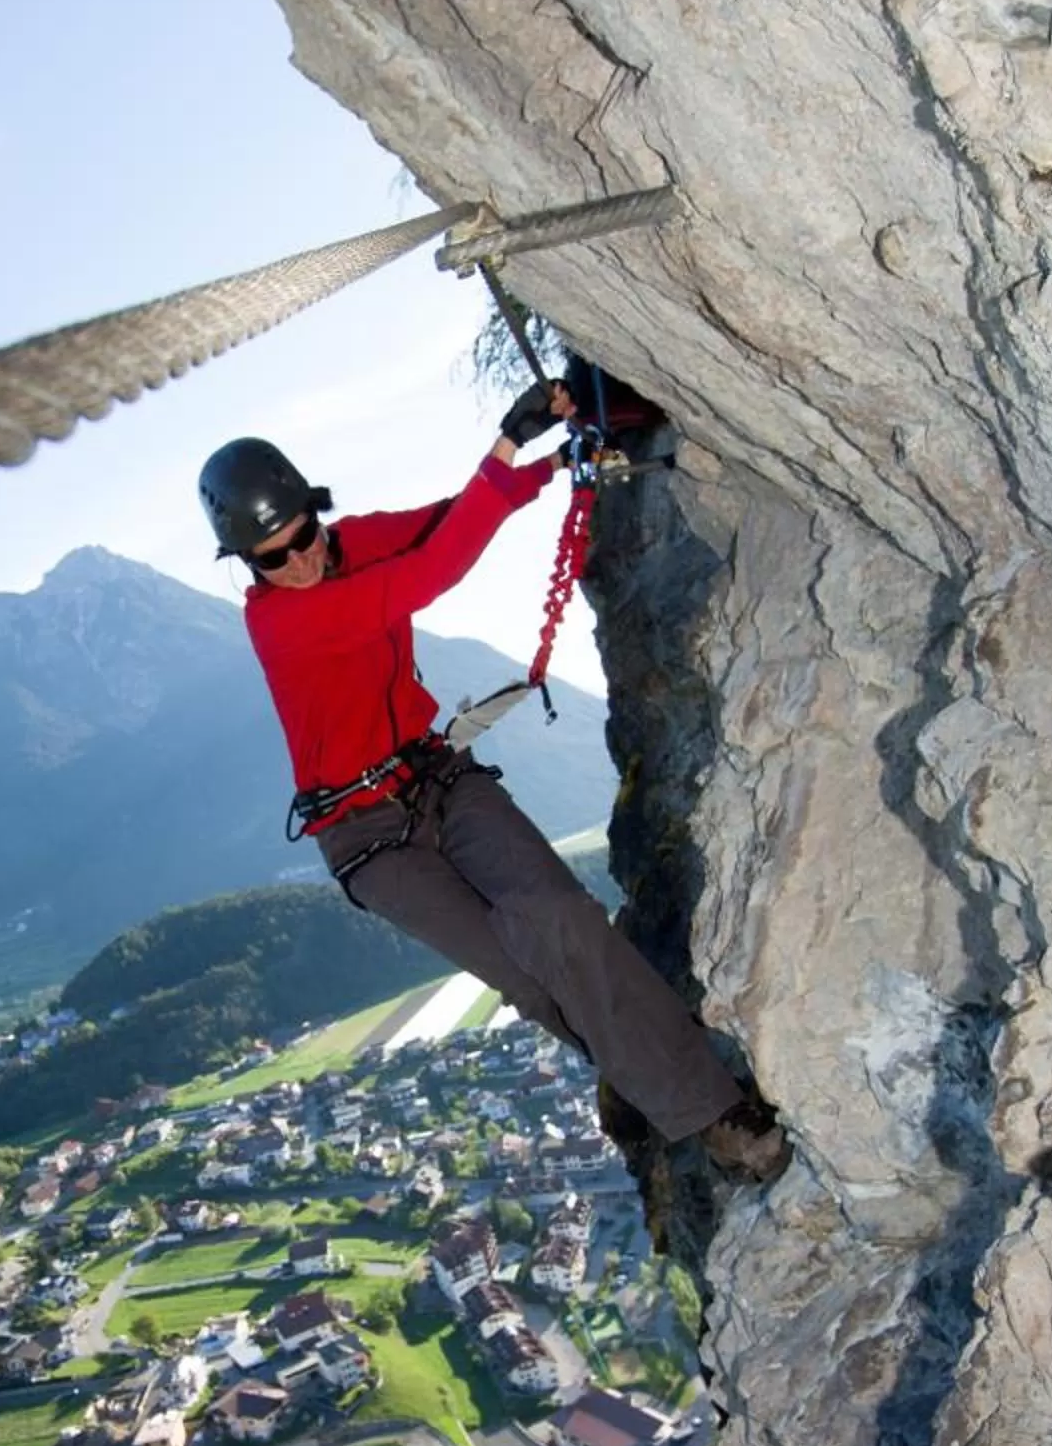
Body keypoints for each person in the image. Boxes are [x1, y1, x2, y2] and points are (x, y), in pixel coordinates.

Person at [198, 387, 787, 1180]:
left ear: (315, 513)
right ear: (248, 564)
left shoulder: (352, 546)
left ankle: (712, 1108)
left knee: (559, 918)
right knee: (523, 975)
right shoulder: (279, 620)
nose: (300, 561)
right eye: (275, 556)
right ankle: (651, 1080)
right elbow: (434, 571)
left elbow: (448, 521)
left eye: (305, 536)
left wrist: (553, 456)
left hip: (436, 777)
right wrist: (508, 442)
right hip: (367, 841)